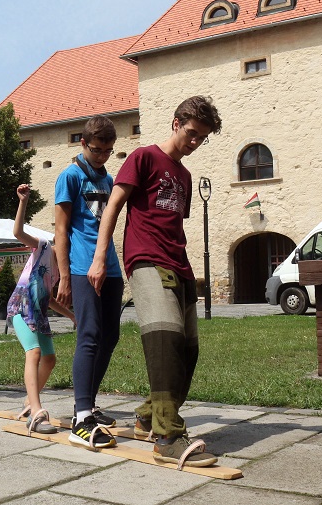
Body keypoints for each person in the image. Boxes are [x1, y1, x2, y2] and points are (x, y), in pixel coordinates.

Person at [89, 95, 223, 468]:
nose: (194, 143)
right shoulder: (143, 157)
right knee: (165, 342)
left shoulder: (184, 174)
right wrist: (101, 257)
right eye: (192, 133)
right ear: (176, 122)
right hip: (145, 260)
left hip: (178, 265)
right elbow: (114, 206)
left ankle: (149, 415)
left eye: (202, 138)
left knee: (187, 350)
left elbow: (174, 224)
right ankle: (167, 436)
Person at [53, 115, 124, 449]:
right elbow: (61, 230)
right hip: (82, 268)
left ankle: (90, 403)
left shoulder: (108, 179)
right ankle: (80, 417)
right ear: (83, 144)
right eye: (97, 150)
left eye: (108, 150)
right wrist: (65, 276)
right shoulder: (70, 176)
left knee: (110, 337)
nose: (102, 156)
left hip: (110, 267)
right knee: (90, 334)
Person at [8, 184, 76, 434]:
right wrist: (23, 202)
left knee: (49, 358)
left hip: (38, 313)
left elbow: (47, 298)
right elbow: (17, 232)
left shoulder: (62, 269)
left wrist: (70, 315)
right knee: (34, 352)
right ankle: (36, 410)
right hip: (20, 307)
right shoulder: (44, 247)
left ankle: (28, 402)